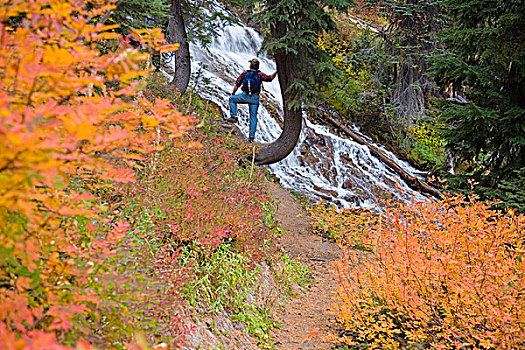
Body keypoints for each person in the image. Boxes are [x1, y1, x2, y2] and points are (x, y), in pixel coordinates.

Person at [229, 58, 277, 143]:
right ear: (258, 66)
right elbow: (270, 78)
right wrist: (277, 71)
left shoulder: (245, 73)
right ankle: (251, 137)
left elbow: (237, 84)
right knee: (253, 117)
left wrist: (233, 93)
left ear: (250, 65)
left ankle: (234, 116)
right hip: (255, 98)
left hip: (244, 96)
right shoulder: (260, 74)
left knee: (232, 99)